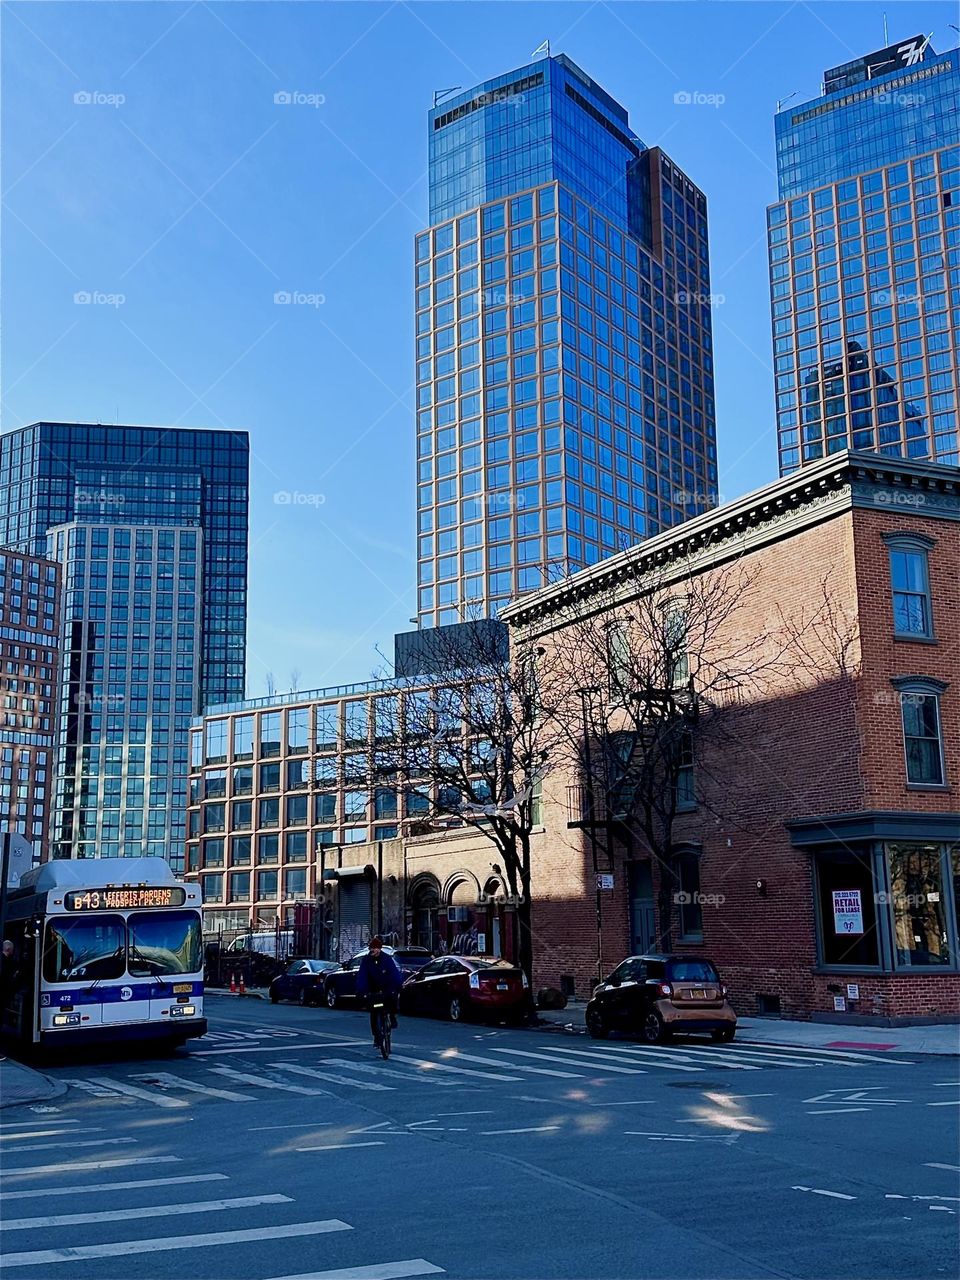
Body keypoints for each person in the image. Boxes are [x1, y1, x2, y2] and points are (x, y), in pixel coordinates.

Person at [355, 937, 402, 1046]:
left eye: (376, 948)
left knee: (392, 1000)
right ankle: (377, 1036)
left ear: (380, 949)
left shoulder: (386, 959)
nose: (374, 950)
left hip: (387, 987)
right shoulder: (366, 961)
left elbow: (394, 973)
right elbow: (362, 976)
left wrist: (398, 985)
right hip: (373, 989)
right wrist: (361, 990)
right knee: (374, 1011)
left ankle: (392, 1016)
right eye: (372, 948)